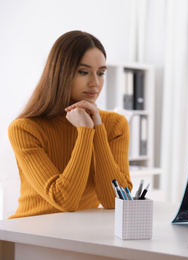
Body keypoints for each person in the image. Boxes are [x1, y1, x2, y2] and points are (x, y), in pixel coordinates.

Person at [8, 31, 132, 218]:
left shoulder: (114, 125)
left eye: (101, 73)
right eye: (83, 72)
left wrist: (97, 127)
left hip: (81, 235)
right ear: (60, 73)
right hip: (30, 235)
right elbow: (64, 200)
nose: (95, 83)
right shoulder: (25, 129)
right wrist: (85, 132)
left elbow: (114, 201)